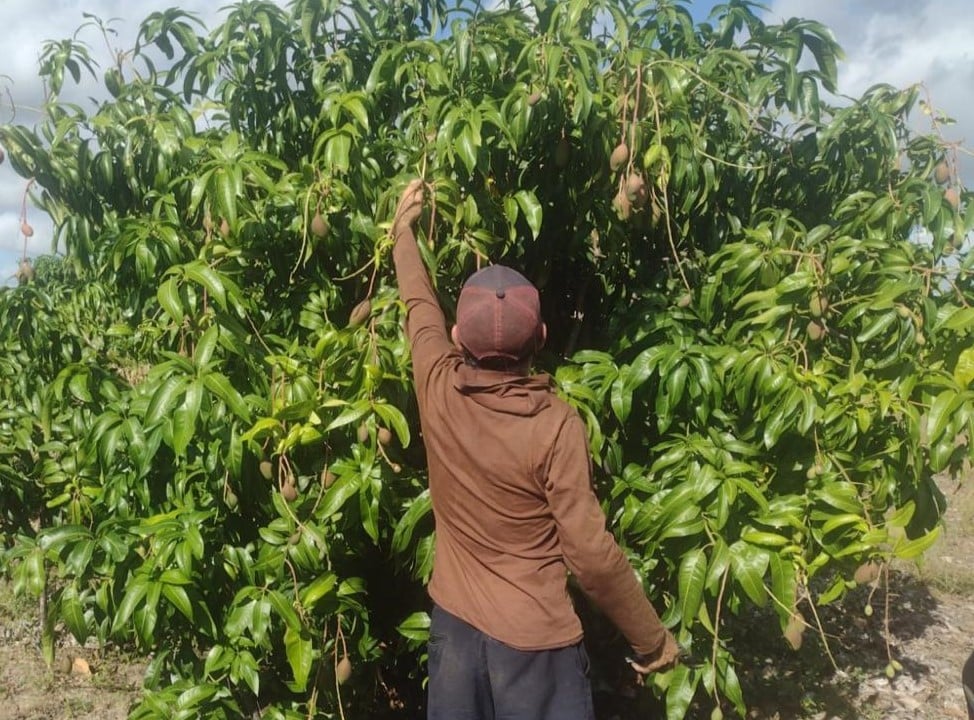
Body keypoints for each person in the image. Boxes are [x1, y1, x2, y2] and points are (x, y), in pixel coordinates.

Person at [390, 178, 678, 720]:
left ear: (457, 337)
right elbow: (590, 554)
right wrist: (652, 639)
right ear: (542, 337)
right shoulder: (556, 425)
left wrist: (403, 232)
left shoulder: (437, 387)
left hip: (455, 636)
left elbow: (418, 306)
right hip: (537, 651)